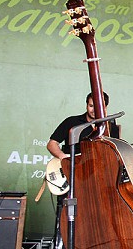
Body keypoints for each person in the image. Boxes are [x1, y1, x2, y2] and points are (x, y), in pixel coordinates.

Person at [46, 91, 118, 249]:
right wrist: (64, 158)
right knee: (66, 216)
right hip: (71, 177)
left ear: (105, 108)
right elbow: (52, 144)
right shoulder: (72, 122)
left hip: (95, 183)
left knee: (93, 219)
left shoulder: (111, 129)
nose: (93, 110)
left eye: (97, 107)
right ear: (86, 105)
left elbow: (112, 155)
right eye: (91, 106)